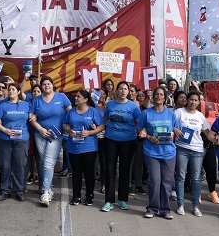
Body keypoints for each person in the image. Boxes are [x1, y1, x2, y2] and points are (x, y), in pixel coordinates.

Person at [137, 87, 180, 219]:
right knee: (155, 180)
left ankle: (165, 209)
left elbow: (176, 130)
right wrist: (148, 137)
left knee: (167, 181)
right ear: (153, 97)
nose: (159, 96)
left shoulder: (171, 114)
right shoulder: (146, 113)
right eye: (157, 94)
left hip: (169, 152)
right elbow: (139, 131)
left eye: (161, 94)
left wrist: (173, 134)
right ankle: (152, 208)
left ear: (165, 97)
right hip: (152, 152)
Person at [29, 76, 72, 206]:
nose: (47, 86)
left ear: (53, 85)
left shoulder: (62, 97)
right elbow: (31, 118)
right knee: (42, 162)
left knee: (48, 162)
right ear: (41, 87)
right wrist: (41, 129)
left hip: (56, 135)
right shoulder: (36, 100)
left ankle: (46, 192)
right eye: (44, 84)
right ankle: (49, 188)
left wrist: (68, 126)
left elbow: (70, 113)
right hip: (40, 134)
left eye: (49, 83)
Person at [101, 81, 142, 212]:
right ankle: (109, 200)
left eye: (126, 89)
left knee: (125, 170)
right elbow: (106, 118)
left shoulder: (134, 106)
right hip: (111, 140)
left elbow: (140, 122)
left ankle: (123, 199)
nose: (123, 91)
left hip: (129, 141)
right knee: (110, 169)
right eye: (121, 88)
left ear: (129, 91)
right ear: (117, 91)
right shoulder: (110, 104)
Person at [63, 90, 106, 206]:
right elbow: (65, 124)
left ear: (86, 100)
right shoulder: (71, 112)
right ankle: (76, 196)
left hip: (89, 147)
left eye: (78, 96)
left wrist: (90, 132)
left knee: (89, 173)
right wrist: (68, 130)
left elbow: (102, 126)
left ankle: (89, 195)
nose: (76, 98)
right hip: (73, 147)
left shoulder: (92, 111)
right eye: (76, 96)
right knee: (76, 173)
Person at [0, 83, 31, 202]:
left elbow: (32, 116)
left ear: (19, 92)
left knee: (19, 165)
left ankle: (19, 191)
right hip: (5, 139)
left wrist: (33, 117)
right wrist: (5, 130)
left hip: (22, 139)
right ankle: (5, 190)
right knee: (5, 165)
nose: (11, 91)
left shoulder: (25, 105)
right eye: (9, 90)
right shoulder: (3, 106)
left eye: (13, 89)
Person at [174, 91, 210, 217]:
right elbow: (170, 125)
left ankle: (195, 206)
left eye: (196, 100)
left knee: (196, 178)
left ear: (199, 102)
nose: (193, 102)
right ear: (187, 100)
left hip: (197, 150)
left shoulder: (200, 116)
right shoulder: (179, 112)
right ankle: (180, 204)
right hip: (181, 148)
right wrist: (175, 129)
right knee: (180, 176)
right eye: (191, 99)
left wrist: (217, 138)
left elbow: (207, 132)